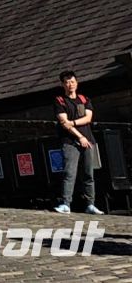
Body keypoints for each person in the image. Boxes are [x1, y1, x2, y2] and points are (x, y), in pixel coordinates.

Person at [54, 70, 104, 214]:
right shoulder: (60, 101)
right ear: (63, 84)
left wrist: (74, 122)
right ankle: (65, 203)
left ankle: (90, 204)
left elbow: (88, 118)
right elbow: (64, 123)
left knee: (89, 173)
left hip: (88, 140)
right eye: (67, 82)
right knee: (69, 172)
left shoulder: (84, 99)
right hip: (70, 141)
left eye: (72, 81)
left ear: (77, 83)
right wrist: (79, 137)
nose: (70, 84)